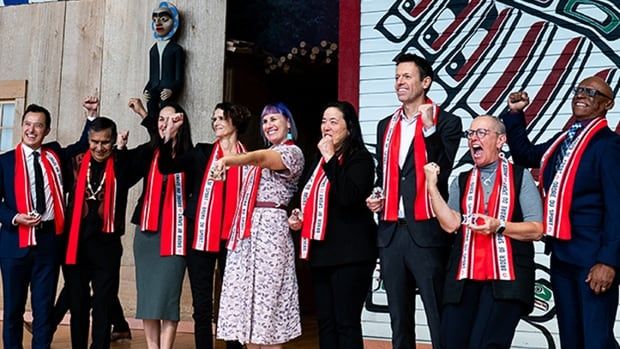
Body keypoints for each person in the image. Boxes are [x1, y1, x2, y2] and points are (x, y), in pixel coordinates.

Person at [500, 76, 620, 349]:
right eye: (579, 89)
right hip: (563, 254)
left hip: (593, 259)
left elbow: (617, 207)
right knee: (571, 339)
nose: (582, 95)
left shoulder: (609, 145)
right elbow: (527, 155)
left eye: (592, 92)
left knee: (596, 340)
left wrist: (609, 262)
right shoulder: (565, 139)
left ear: (607, 104)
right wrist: (516, 114)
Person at [365, 53, 462, 349]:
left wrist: (429, 129)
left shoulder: (447, 121)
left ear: (426, 82)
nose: (400, 82)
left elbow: (441, 168)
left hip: (427, 231)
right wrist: (378, 194)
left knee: (438, 315)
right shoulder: (386, 125)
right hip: (392, 231)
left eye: (407, 76)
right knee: (399, 319)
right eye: (397, 77)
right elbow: (387, 173)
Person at [424, 115, 543, 348]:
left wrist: (499, 226)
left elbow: (536, 229)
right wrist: (431, 186)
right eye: (471, 134)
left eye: (481, 133)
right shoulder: (463, 179)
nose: (473, 139)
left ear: (501, 140)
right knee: (451, 341)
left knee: (486, 344)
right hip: (464, 278)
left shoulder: (521, 177)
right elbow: (450, 224)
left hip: (505, 281)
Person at [0, 100, 96, 349]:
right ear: (22, 126)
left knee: (43, 310)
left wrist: (91, 116)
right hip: (15, 242)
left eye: (38, 126)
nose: (32, 130)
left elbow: (83, 145)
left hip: (48, 242)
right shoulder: (5, 161)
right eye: (28, 125)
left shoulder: (54, 155)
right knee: (13, 310)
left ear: (47, 130)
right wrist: (14, 217)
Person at [158, 102, 250, 349]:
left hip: (234, 237)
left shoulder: (248, 158)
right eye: (214, 119)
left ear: (235, 121)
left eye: (221, 117)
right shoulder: (201, 153)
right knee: (202, 305)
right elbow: (166, 166)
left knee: (233, 301)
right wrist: (170, 135)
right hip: (200, 236)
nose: (216, 122)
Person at [288, 101, 377, 349]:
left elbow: (349, 196)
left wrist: (329, 158)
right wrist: (298, 217)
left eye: (333, 121)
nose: (326, 127)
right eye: (324, 121)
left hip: (351, 254)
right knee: (325, 322)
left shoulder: (360, 159)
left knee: (346, 323)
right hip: (322, 253)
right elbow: (309, 200)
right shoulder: (317, 160)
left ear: (349, 128)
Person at [214, 102, 303, 348]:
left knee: (268, 313)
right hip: (248, 233)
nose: (269, 125)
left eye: (274, 119)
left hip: (270, 233)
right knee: (249, 317)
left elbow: (262, 157)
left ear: (288, 124)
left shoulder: (292, 152)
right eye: (265, 121)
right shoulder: (263, 157)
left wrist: (230, 160)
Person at [63, 116, 145, 349]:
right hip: (74, 247)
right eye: (95, 141)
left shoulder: (122, 165)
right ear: (88, 140)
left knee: (102, 305)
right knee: (78, 306)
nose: (100, 147)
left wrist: (145, 116)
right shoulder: (75, 162)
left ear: (113, 140)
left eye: (105, 142)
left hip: (107, 248)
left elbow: (150, 150)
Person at [144, 1, 184, 117]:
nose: (158, 23)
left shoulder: (176, 49)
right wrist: (146, 88)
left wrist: (172, 89)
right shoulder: (153, 50)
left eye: (164, 19)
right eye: (155, 20)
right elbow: (152, 76)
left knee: (166, 114)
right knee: (151, 112)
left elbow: (178, 78)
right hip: (154, 88)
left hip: (167, 91)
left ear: (174, 21)